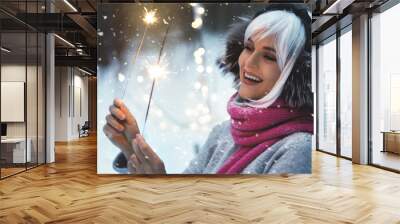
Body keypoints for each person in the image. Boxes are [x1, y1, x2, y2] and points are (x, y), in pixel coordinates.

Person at [103, 5, 313, 174]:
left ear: (294, 74)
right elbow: (185, 199)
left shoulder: (298, 149)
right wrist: (132, 147)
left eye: (269, 56)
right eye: (248, 47)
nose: (249, 63)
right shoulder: (223, 132)